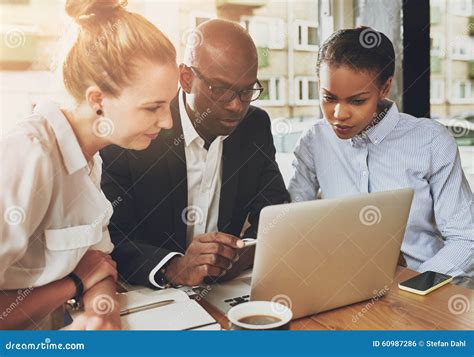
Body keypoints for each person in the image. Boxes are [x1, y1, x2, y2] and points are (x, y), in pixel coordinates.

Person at [0, 0, 178, 329]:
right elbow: (86, 273)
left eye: (169, 104)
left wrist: (101, 313)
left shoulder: (89, 158)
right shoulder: (28, 155)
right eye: (153, 107)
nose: (167, 121)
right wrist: (74, 284)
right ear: (98, 100)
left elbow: (99, 264)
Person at [101, 19, 290, 288]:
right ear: (186, 79)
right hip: (151, 292)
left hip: (224, 289)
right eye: (222, 90)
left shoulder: (255, 125)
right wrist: (173, 266)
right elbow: (112, 235)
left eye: (247, 90)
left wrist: (244, 253)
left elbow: (274, 210)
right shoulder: (139, 128)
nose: (237, 106)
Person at [288, 27, 473, 285]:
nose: (339, 114)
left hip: (424, 288)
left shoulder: (431, 141)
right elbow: (292, 225)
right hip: (343, 287)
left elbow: (466, 238)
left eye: (357, 100)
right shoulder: (314, 140)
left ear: (385, 87)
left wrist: (413, 285)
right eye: (329, 98)